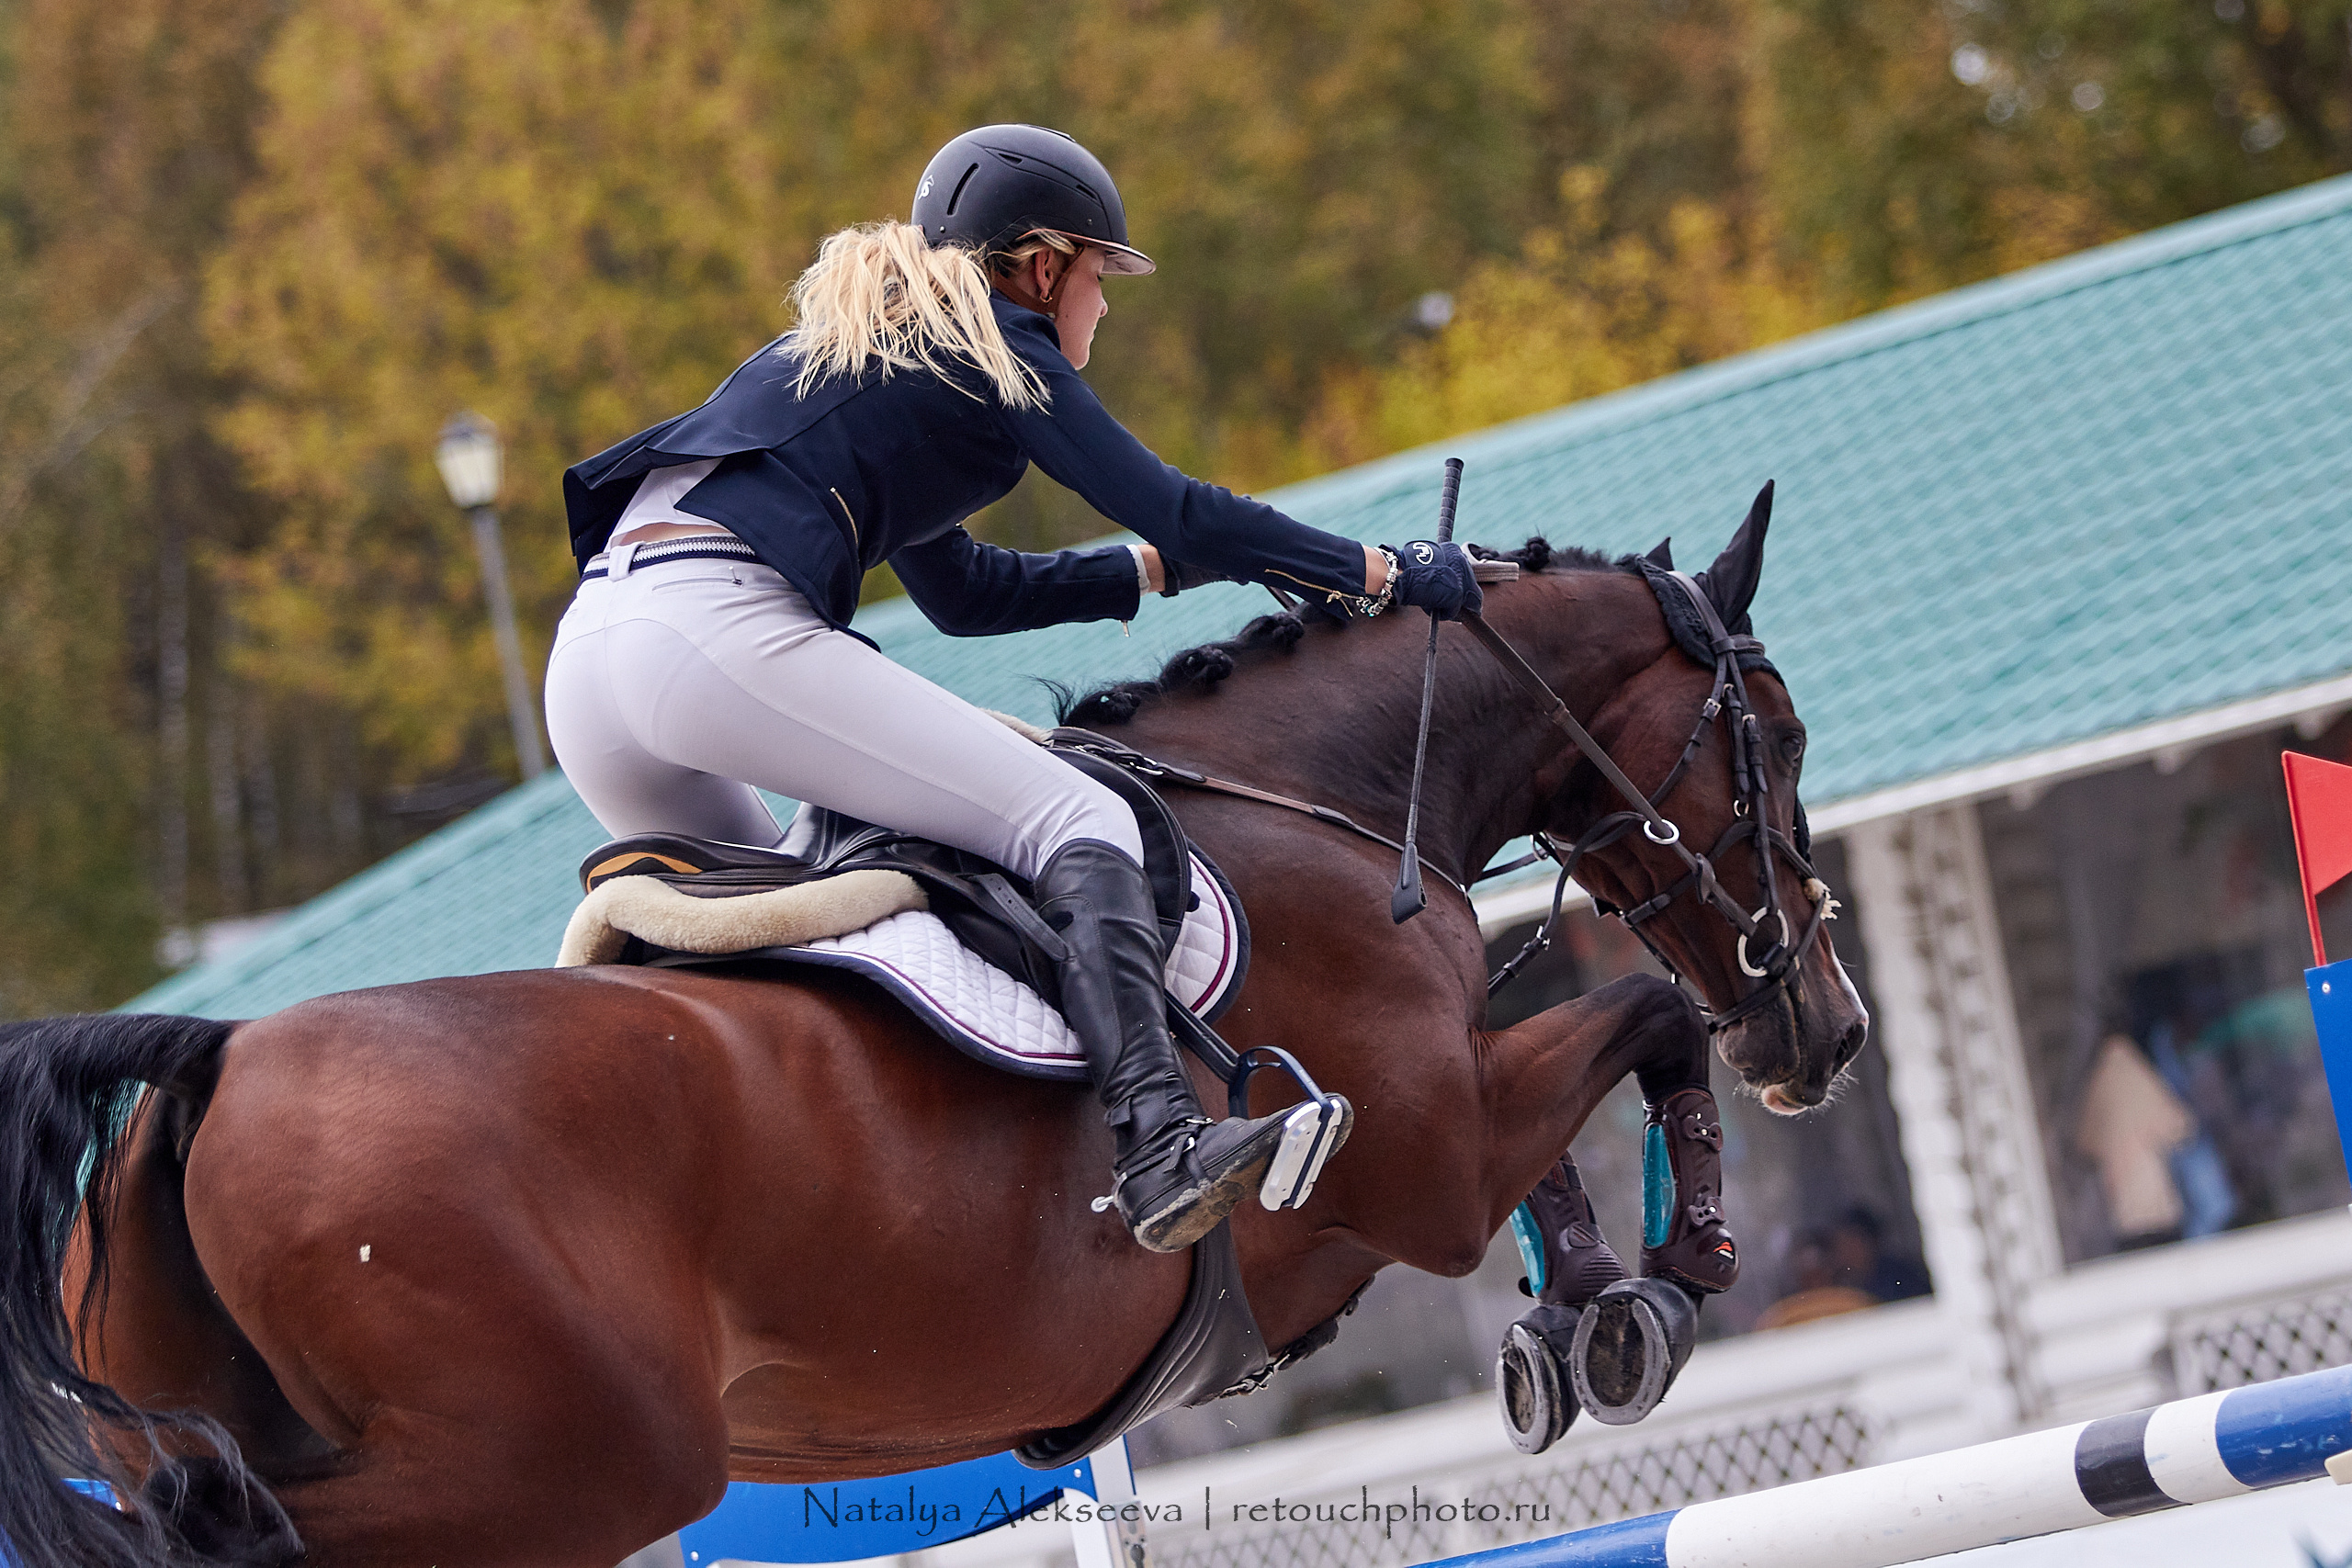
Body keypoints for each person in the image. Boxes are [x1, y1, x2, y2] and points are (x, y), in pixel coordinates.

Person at [549, 124, 1482, 1255]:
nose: (1105, 302)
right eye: (1100, 273)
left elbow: (963, 594)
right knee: (1076, 817)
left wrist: (1149, 572)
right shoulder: (996, 336)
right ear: (1041, 267)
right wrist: (1378, 572)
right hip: (710, 635)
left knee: (789, 959)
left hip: (592, 664)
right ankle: (1157, 1146)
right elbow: (1179, 504)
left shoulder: (873, 352)